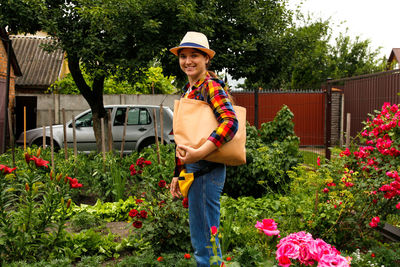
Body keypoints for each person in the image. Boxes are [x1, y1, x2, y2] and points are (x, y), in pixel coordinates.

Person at [169, 31, 238, 267]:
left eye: (194, 55)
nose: (187, 61)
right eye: (183, 56)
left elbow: (230, 122)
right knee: (202, 240)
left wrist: (199, 153)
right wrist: (178, 173)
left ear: (206, 59)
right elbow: (184, 138)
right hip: (195, 170)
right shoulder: (190, 90)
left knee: (206, 244)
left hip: (207, 170)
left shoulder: (209, 86)